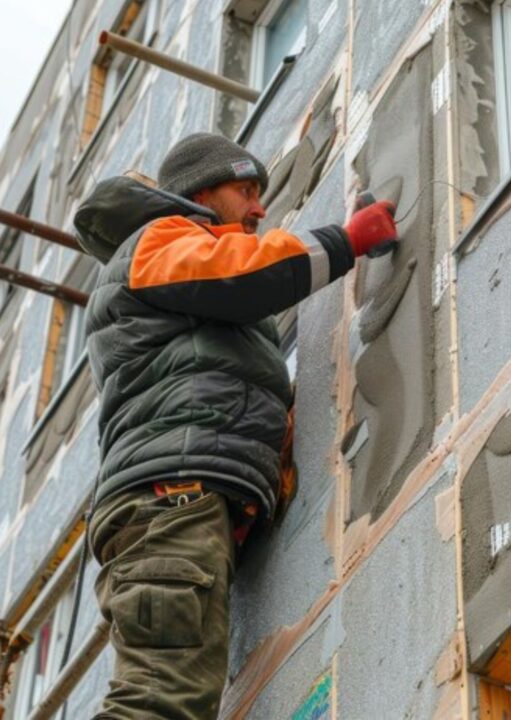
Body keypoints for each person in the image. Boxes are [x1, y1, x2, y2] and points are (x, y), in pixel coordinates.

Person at [74, 132, 397, 719]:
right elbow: (243, 277)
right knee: (160, 703)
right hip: (171, 503)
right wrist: (346, 241)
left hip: (173, 505)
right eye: (246, 190)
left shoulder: (184, 297)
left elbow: (226, 380)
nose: (259, 208)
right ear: (198, 195)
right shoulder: (158, 240)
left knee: (172, 699)